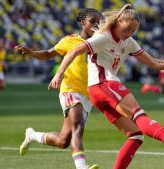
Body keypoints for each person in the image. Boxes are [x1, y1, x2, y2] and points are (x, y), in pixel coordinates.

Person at [49, 4, 164, 169]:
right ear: (118, 21)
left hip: (98, 93)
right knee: (139, 115)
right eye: (128, 28)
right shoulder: (103, 37)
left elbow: (155, 63)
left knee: (135, 135)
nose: (130, 33)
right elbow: (74, 51)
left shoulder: (129, 42)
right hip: (104, 84)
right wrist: (59, 73)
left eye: (134, 30)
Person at [15, 8, 103, 169]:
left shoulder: (102, 42)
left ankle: (32, 135)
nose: (97, 25)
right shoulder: (70, 40)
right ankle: (82, 167)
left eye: (100, 22)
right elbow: (49, 53)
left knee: (64, 141)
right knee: (78, 125)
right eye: (93, 21)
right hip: (70, 88)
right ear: (83, 23)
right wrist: (32, 52)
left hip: (88, 94)